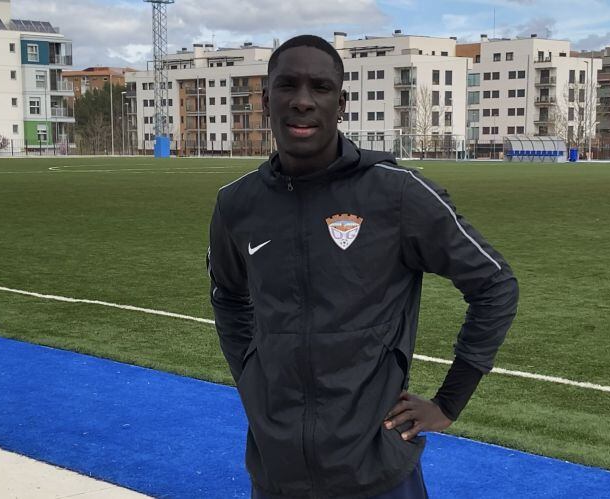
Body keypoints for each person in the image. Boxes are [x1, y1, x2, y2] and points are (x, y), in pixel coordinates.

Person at [208, 34, 519, 499]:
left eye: (321, 87)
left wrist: (449, 402)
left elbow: (495, 285)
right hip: (276, 472)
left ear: (342, 102)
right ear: (266, 98)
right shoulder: (237, 204)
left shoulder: (396, 194)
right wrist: (252, 376)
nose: (303, 101)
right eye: (287, 86)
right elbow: (228, 297)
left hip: (377, 471)